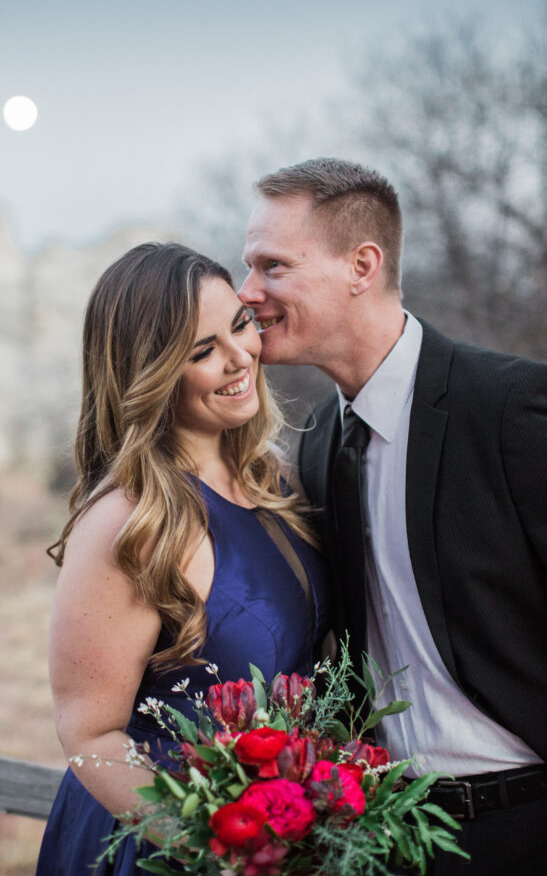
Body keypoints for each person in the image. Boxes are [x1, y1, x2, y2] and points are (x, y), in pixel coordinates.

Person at [238, 158, 547, 876]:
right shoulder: (315, 444)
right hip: (379, 837)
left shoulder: (510, 410)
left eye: (272, 266)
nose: (249, 292)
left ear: (361, 266)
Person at [36, 242, 331, 876]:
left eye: (241, 325)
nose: (239, 357)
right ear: (150, 372)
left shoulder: (273, 481)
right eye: (202, 352)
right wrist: (216, 850)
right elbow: (89, 736)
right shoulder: (132, 521)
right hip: (162, 847)